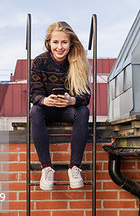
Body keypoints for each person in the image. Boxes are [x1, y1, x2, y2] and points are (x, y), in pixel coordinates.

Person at [30, 21, 91, 190]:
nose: (59, 47)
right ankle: (47, 168)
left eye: (64, 42)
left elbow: (86, 96)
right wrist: (44, 100)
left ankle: (74, 168)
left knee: (83, 111)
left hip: (69, 110)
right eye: (55, 42)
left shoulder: (78, 62)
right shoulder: (39, 62)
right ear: (49, 43)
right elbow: (33, 93)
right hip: (47, 110)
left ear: (71, 43)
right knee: (35, 110)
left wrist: (72, 100)